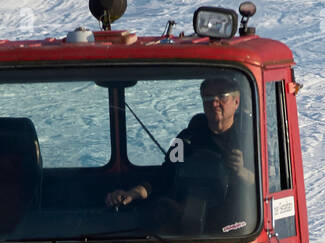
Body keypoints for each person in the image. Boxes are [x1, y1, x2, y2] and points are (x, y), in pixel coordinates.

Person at [105, 77, 255, 229]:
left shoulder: (251, 139)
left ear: (236, 102)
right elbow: (164, 176)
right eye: (208, 98)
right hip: (187, 221)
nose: (214, 103)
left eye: (221, 96)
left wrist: (241, 172)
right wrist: (131, 194)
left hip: (236, 226)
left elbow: (266, 185)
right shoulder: (185, 138)